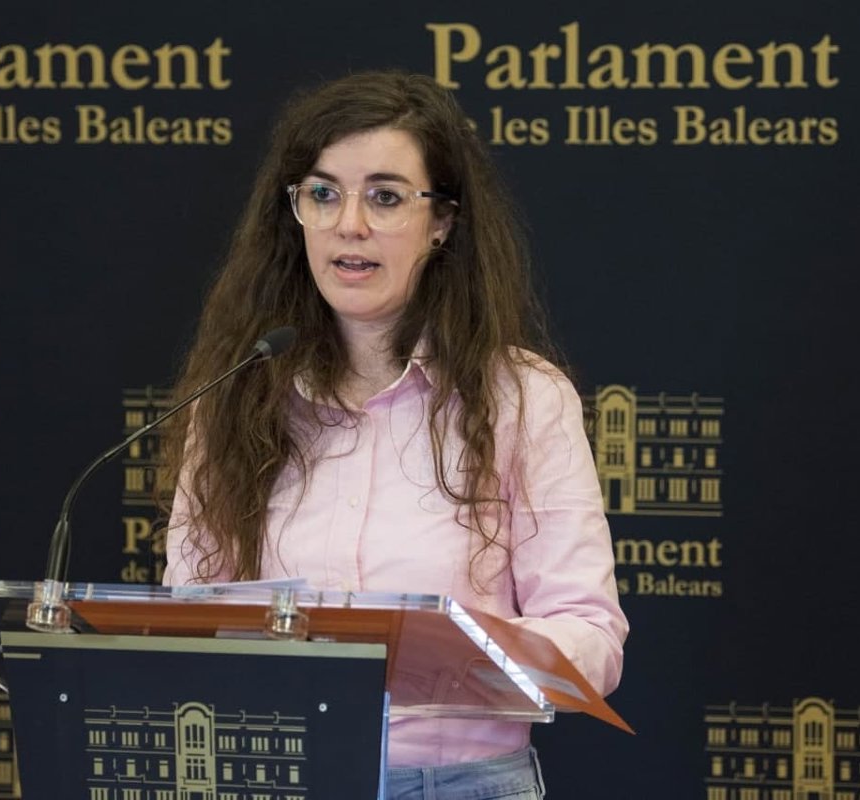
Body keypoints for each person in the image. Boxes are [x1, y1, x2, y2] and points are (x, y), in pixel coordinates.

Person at [161, 70, 627, 799]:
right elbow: (187, 620)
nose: (349, 223)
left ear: (442, 222)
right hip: (278, 775)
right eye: (323, 194)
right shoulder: (234, 396)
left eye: (384, 197)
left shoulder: (524, 398)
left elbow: (591, 638)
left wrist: (461, 655)